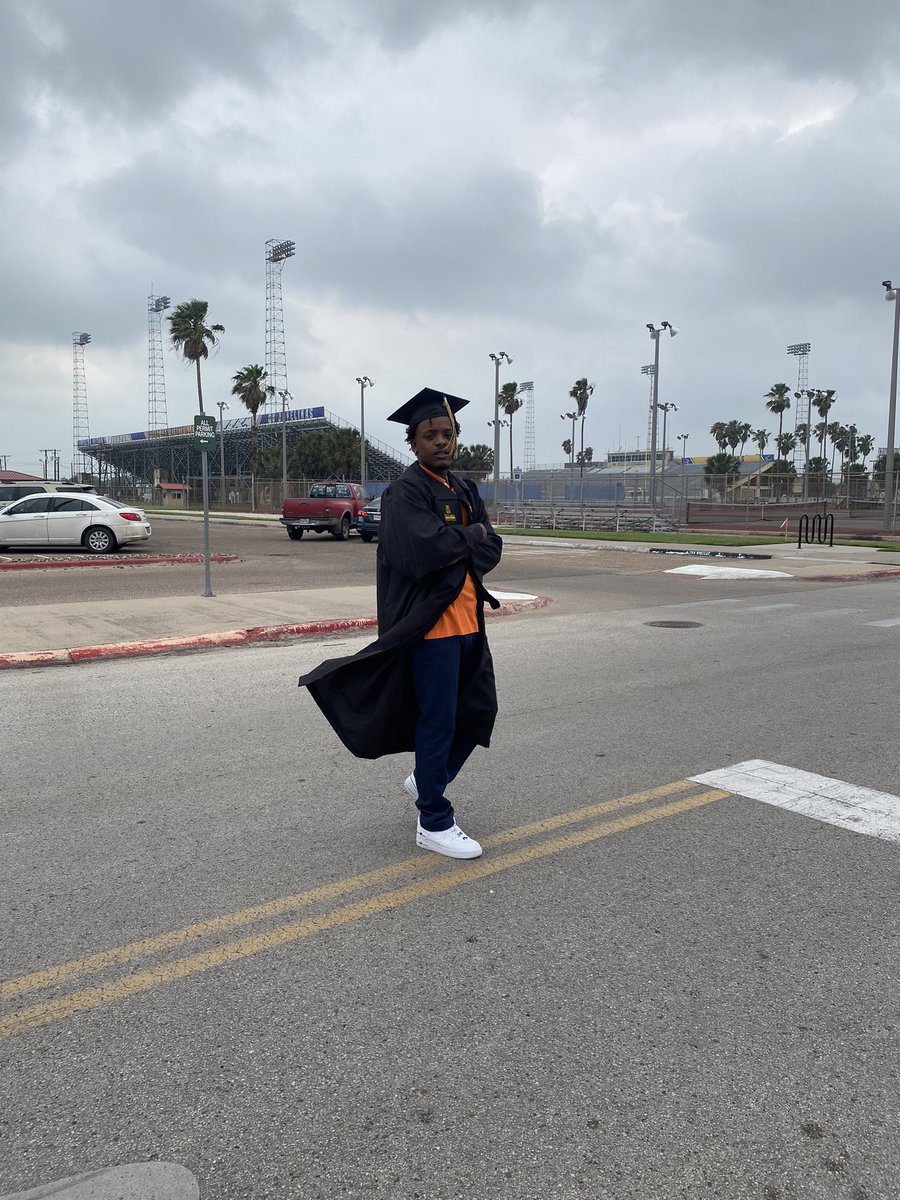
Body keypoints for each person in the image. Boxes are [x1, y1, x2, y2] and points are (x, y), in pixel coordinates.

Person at [298, 387, 503, 859]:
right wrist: (470, 535)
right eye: (430, 434)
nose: (441, 441)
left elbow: (491, 550)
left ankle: (425, 779)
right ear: (413, 442)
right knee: (437, 724)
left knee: (478, 713)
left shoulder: (466, 489)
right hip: (430, 631)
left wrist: (463, 540)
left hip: (470, 625)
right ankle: (433, 820)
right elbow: (420, 553)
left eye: (448, 433)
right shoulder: (404, 492)